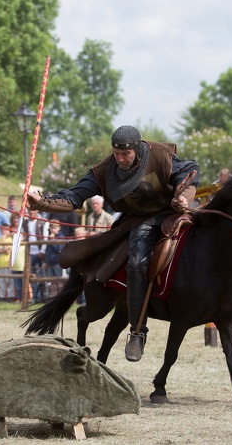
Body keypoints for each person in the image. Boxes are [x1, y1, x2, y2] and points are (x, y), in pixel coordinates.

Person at [26, 125, 199, 362]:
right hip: (140, 221)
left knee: (216, 236)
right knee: (137, 262)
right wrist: (42, 202)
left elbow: (189, 171)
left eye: (125, 154)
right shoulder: (105, 170)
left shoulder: (159, 155)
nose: (120, 158)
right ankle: (138, 332)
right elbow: (75, 196)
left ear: (136, 149)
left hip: (175, 210)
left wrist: (183, 195)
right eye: (116, 153)